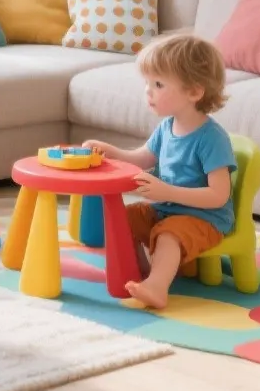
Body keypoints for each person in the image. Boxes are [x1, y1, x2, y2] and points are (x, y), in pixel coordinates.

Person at [83, 34, 236, 309]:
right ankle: (141, 272)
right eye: (147, 83)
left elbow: (218, 196)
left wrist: (166, 191)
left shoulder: (211, 138)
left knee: (168, 234)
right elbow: (141, 158)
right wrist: (111, 151)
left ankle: (157, 287)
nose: (148, 91)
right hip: (167, 210)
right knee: (123, 217)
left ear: (194, 92)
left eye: (158, 84)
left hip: (205, 218)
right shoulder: (167, 127)